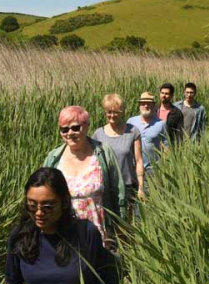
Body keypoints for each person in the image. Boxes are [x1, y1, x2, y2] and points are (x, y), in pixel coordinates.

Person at [43, 106, 126, 245]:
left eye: (75, 128)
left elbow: (119, 191)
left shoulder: (103, 153)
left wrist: (121, 228)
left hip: (100, 237)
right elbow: (44, 195)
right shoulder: (53, 158)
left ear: (87, 126)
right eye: (64, 129)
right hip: (64, 237)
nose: (70, 133)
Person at [92, 94, 146, 211]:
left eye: (116, 112)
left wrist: (141, 187)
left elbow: (139, 160)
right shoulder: (98, 134)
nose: (112, 115)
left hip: (127, 186)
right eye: (109, 112)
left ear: (122, 112)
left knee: (126, 224)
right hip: (105, 186)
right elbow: (92, 162)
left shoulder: (133, 132)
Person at [126, 92, 167, 177]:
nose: (146, 106)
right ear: (139, 105)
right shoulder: (131, 122)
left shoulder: (161, 124)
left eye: (149, 103)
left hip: (152, 170)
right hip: (132, 168)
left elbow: (166, 147)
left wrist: (162, 166)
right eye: (143, 103)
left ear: (154, 105)